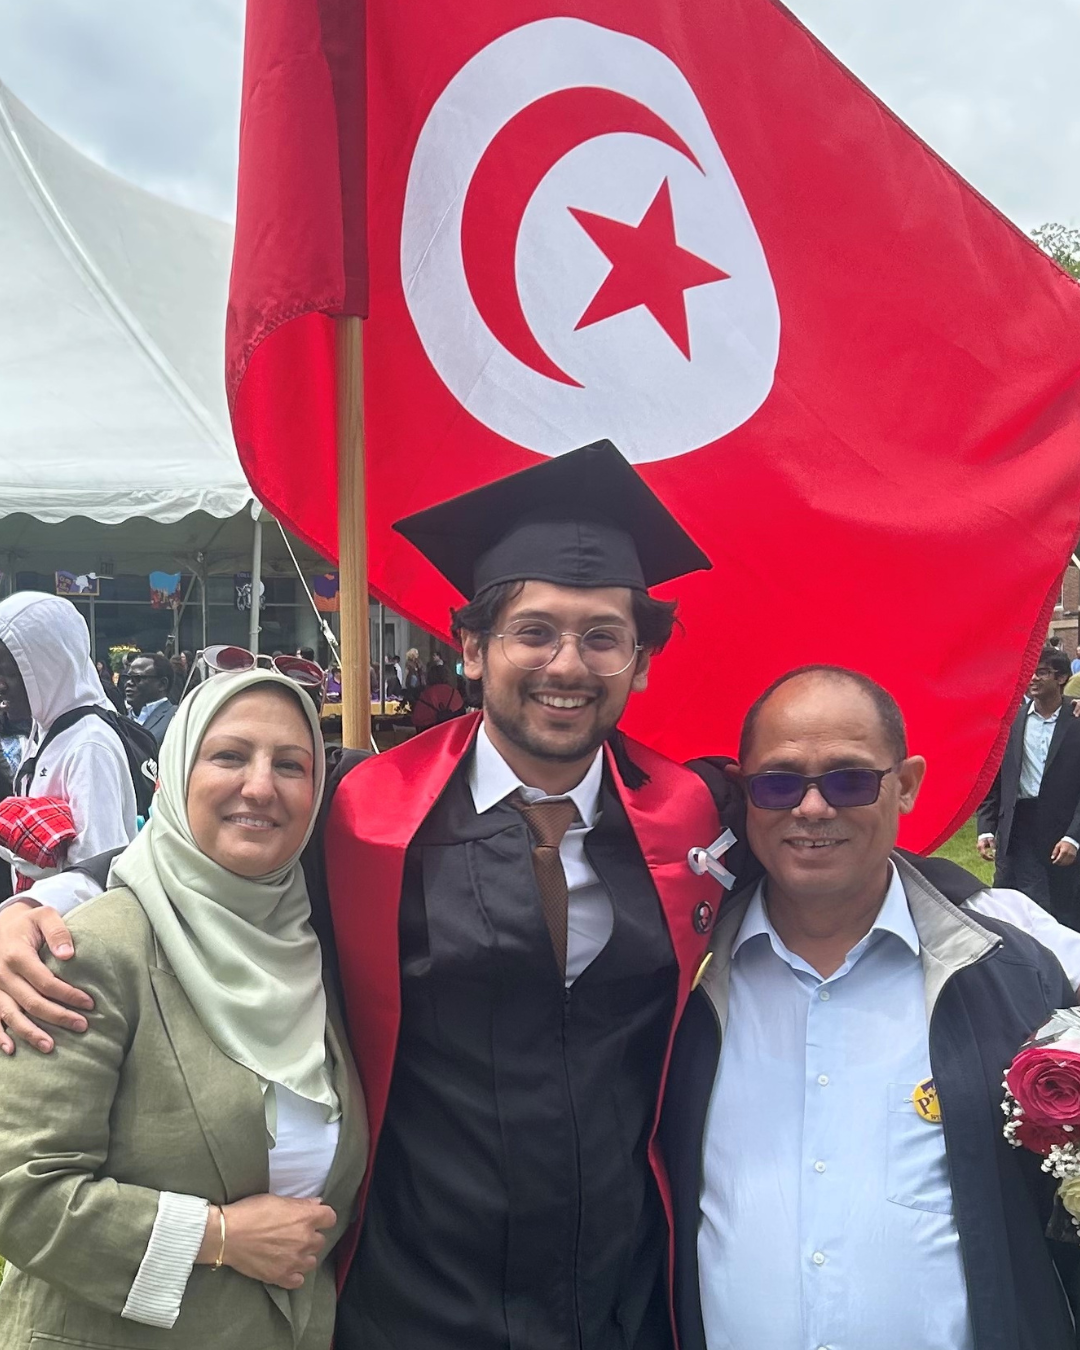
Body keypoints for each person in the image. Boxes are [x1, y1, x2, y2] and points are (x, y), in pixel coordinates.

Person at [0, 441, 729, 1348]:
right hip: (412, 1291)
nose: (568, 664)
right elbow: (198, 851)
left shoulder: (696, 820)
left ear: (641, 661)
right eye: (534, 631)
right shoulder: (365, 813)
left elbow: (832, 841)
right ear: (471, 647)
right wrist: (29, 907)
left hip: (618, 1291)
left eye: (603, 637)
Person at [662, 665, 1080, 1350]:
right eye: (779, 783)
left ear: (907, 784)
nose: (813, 808)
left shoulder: (1012, 971)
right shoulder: (681, 982)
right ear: (745, 795)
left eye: (850, 780)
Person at [0, 670, 367, 1348]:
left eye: (292, 765)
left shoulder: (321, 950)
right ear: (172, 772)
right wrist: (218, 1237)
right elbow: (22, 1193)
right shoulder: (87, 951)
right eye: (229, 755)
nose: (261, 786)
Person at [0, 593, 137, 903]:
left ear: (47, 667)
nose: (0, 685)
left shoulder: (90, 744)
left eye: (7, 672)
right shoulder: (49, 728)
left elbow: (100, 871)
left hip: (66, 932)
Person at [978, 647, 1080, 927]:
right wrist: (986, 827)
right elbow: (997, 778)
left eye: (1042, 672)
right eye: (1030, 672)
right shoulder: (1011, 721)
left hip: (1060, 831)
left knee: (1063, 912)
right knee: (1009, 909)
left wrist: (1074, 837)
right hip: (1016, 829)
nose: (1033, 678)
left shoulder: (1076, 719)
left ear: (1061, 678)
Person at [125, 652, 177, 747]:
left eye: (137, 678)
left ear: (162, 684)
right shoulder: (121, 721)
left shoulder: (177, 717)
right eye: (128, 678)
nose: (129, 683)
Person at [409, 660, 464, 731]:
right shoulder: (454, 693)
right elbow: (462, 715)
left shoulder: (425, 695)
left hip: (430, 733)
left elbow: (417, 719)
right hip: (452, 731)